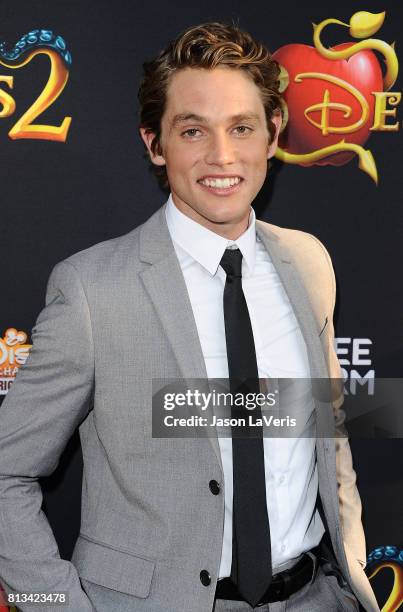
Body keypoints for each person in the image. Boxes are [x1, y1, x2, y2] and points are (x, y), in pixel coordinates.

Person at [0, 21, 379, 612]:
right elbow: (6, 474)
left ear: (273, 135)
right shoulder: (92, 291)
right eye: (194, 130)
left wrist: (350, 569)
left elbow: (327, 425)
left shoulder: (307, 263)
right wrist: (57, 605)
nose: (222, 157)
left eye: (242, 128)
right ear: (155, 144)